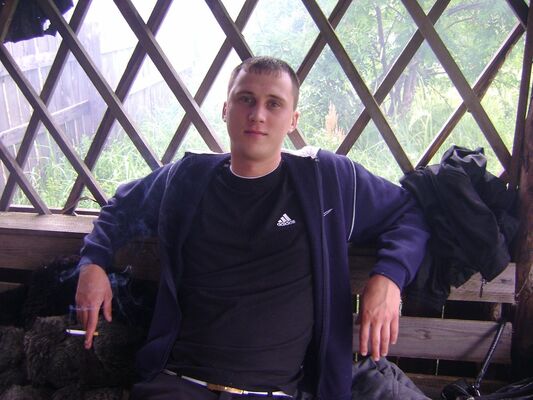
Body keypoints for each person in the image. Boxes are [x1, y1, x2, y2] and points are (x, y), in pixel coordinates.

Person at [75, 56, 429, 399]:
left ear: (293, 120)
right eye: (246, 99)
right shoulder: (187, 180)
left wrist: (389, 278)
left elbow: (409, 213)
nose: (258, 114)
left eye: (274, 104)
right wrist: (93, 264)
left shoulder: (326, 182)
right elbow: (120, 209)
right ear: (225, 109)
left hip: (275, 392)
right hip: (179, 384)